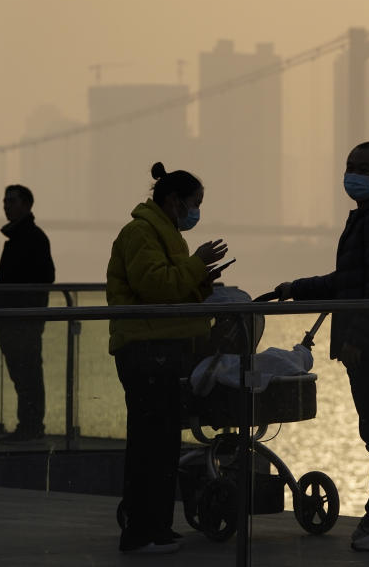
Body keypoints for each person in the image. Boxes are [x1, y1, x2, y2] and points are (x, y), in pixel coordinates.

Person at [275, 141, 369, 552]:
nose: (353, 174)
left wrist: (357, 338)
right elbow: (348, 281)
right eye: (349, 165)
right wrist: (296, 289)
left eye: (363, 167)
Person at [106, 162, 229, 554]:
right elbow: (156, 287)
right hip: (146, 351)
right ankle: (141, 533)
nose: (197, 212)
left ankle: (157, 526)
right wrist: (196, 265)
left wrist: (201, 278)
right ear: (175, 201)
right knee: (150, 445)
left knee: (161, 445)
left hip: (163, 349)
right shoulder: (141, 233)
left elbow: (172, 285)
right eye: (195, 203)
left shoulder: (165, 233)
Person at [0, 184, 55, 444]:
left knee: (26, 373)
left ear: (27, 205)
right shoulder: (21, 236)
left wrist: (15, 303)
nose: (6, 205)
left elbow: (45, 277)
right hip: (15, 317)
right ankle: (28, 426)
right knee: (23, 374)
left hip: (22, 319)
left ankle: (30, 427)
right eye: (5, 200)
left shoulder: (31, 237)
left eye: (12, 201)